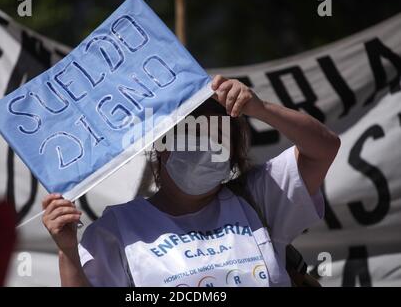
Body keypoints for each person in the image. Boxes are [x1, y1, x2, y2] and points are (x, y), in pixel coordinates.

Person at [42, 75, 340, 287]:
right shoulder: (117, 229)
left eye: (217, 139)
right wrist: (67, 252)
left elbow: (324, 148)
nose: (205, 149)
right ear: (161, 147)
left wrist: (260, 109)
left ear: (234, 153)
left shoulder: (259, 197)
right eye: (191, 138)